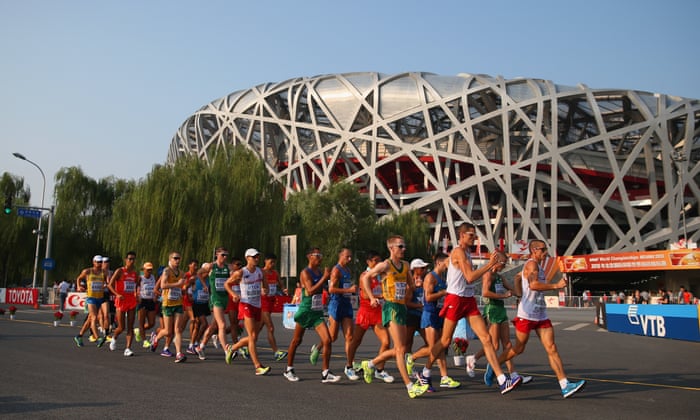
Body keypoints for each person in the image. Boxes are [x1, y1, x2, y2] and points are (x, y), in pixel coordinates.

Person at [420, 223, 522, 395]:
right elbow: (469, 277)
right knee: (445, 341)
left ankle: (502, 380)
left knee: (487, 339)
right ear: (461, 235)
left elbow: (469, 278)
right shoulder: (459, 252)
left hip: (468, 300)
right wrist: (490, 265)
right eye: (471, 235)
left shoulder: (466, 253)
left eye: (475, 235)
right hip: (455, 299)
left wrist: (489, 268)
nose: (474, 238)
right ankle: (425, 372)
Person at [488, 240, 586, 398]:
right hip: (527, 315)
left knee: (551, 348)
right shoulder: (532, 265)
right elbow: (533, 285)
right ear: (534, 251)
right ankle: (494, 366)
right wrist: (556, 286)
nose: (546, 252)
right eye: (543, 249)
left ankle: (565, 385)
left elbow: (518, 277)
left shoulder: (536, 266)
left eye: (546, 249)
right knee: (518, 349)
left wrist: (520, 293)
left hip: (540, 314)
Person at [360, 235, 430, 399]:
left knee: (401, 348)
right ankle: (410, 386)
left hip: (401, 307)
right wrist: (371, 297)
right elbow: (365, 278)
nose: (403, 249)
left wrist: (415, 285)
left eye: (404, 246)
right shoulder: (385, 265)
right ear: (391, 248)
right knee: (400, 349)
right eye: (400, 246)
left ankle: (369, 364)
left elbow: (410, 286)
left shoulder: (405, 265)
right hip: (390, 307)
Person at [468, 251, 532, 384]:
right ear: (497, 263)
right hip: (492, 309)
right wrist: (504, 296)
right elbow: (485, 293)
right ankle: (474, 359)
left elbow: (512, 290)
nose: (504, 267)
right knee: (494, 345)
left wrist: (523, 293)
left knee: (507, 345)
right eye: (503, 264)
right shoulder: (488, 275)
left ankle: (513, 375)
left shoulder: (499, 277)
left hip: (501, 310)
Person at [283, 247, 340, 383]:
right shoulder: (305, 273)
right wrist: (324, 278)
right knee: (297, 341)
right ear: (309, 256)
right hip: (306, 310)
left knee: (327, 340)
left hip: (317, 311)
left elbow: (323, 288)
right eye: (317, 255)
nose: (320, 258)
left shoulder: (319, 272)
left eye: (321, 255)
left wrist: (330, 280)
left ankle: (325, 372)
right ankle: (289, 369)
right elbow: (310, 291)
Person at [407, 252, 460, 390]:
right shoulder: (430, 277)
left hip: (440, 314)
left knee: (441, 346)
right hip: (429, 313)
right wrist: (443, 293)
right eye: (447, 263)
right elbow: (429, 297)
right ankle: (412, 358)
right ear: (439, 263)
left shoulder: (444, 278)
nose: (449, 265)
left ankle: (444, 377)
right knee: (433, 347)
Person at [346, 250, 394, 384]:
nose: (378, 263)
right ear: (368, 262)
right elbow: (366, 295)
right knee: (356, 341)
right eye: (375, 261)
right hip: (365, 312)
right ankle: (349, 366)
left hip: (377, 313)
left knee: (386, 342)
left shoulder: (381, 275)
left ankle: (380, 370)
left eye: (379, 261)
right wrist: (380, 296)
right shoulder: (364, 276)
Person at [224, 248, 271, 376]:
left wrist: (265, 290)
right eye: (254, 257)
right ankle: (257, 366)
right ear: (247, 258)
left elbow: (266, 286)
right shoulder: (241, 273)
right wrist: (233, 294)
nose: (256, 259)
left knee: (254, 337)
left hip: (257, 305)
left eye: (257, 257)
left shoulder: (260, 272)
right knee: (251, 337)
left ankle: (232, 348)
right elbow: (227, 284)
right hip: (245, 305)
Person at [326, 248, 358, 380]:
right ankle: (319, 346)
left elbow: (347, 287)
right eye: (347, 257)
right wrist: (348, 289)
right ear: (341, 256)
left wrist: (352, 290)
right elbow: (331, 289)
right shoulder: (336, 270)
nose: (349, 259)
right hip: (336, 304)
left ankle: (349, 366)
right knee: (332, 337)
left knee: (350, 336)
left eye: (350, 257)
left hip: (346, 304)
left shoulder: (348, 270)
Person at [150, 252, 188, 363]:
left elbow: (182, 286)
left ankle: (179, 353)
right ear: (170, 259)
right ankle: (156, 338)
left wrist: (184, 287)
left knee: (178, 330)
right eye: (175, 258)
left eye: (179, 258)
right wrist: (177, 284)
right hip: (167, 303)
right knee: (167, 331)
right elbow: (162, 285)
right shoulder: (167, 271)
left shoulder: (181, 273)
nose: (177, 260)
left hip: (178, 303)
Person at [196, 248, 231, 360]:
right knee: (222, 325)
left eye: (226, 255)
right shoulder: (211, 266)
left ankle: (201, 347)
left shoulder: (228, 267)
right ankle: (227, 351)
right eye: (223, 255)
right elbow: (199, 273)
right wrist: (205, 285)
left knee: (213, 326)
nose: (225, 257)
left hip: (225, 298)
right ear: (217, 255)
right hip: (215, 299)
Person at [107, 251, 140, 356]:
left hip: (131, 301)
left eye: (133, 259)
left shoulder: (135, 273)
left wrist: (136, 293)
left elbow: (136, 285)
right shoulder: (120, 271)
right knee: (121, 327)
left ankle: (128, 348)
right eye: (129, 259)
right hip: (121, 301)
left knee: (130, 326)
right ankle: (114, 337)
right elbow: (110, 285)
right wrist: (117, 294)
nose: (131, 261)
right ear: (126, 260)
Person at [73, 255, 108, 348]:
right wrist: (78, 286)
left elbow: (107, 282)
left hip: (100, 298)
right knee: (94, 317)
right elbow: (79, 278)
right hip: (91, 298)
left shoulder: (103, 272)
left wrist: (106, 285)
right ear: (93, 262)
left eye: (101, 262)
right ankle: (97, 338)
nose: (99, 264)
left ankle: (79, 336)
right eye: (97, 262)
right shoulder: (87, 271)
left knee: (89, 320)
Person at [260, 254, 287, 361]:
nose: (272, 264)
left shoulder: (275, 273)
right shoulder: (261, 272)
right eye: (271, 262)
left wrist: (284, 289)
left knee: (258, 329)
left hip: (271, 302)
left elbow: (280, 283)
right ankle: (276, 352)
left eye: (274, 262)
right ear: (265, 261)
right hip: (263, 303)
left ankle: (243, 346)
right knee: (270, 328)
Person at [136, 262, 158, 348]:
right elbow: (136, 287)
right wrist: (138, 296)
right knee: (141, 322)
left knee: (152, 323)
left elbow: (156, 287)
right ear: (143, 270)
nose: (149, 271)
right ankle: (145, 341)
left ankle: (139, 331)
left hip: (151, 301)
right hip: (143, 301)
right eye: (148, 270)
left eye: (151, 270)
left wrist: (155, 296)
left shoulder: (153, 277)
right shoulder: (140, 278)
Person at [191, 266, 211, 352]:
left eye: (208, 272)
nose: (207, 274)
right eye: (205, 272)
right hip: (196, 304)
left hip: (204, 304)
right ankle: (196, 342)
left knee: (198, 326)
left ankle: (192, 344)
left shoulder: (209, 280)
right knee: (204, 323)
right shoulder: (195, 279)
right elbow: (186, 286)